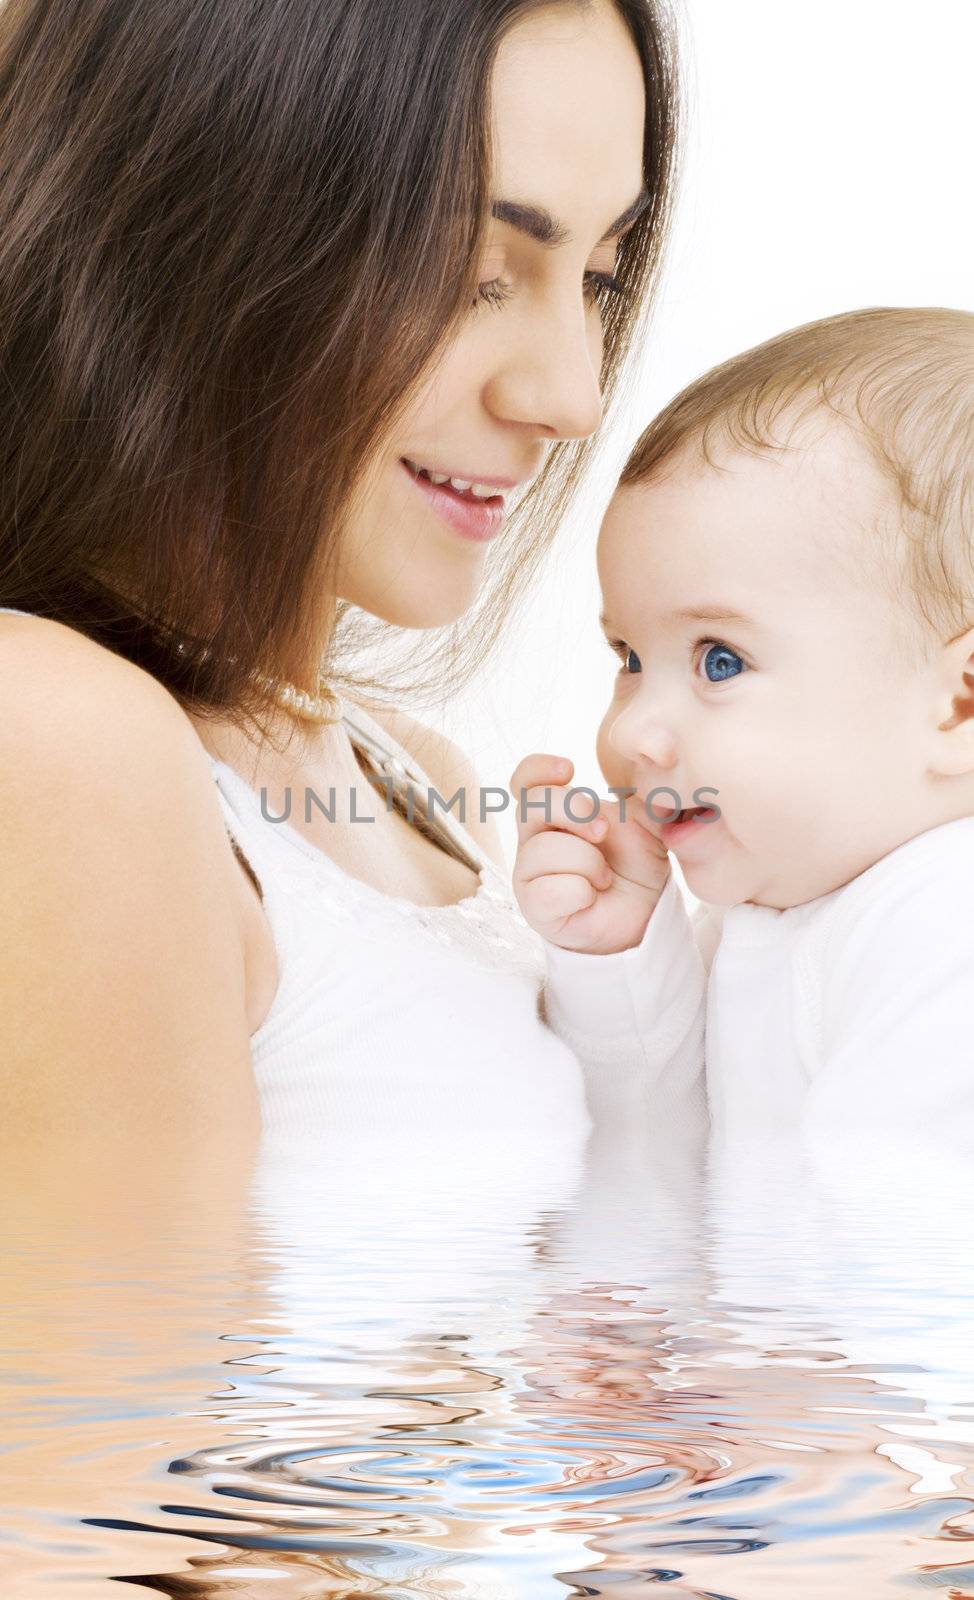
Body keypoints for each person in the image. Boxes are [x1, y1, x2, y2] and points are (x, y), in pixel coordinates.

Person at [0, 0, 680, 1163]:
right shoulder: (59, 737)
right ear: (180, 231)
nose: (572, 396)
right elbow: (112, 1349)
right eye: (471, 271)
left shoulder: (412, 778)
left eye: (600, 279)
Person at [511, 306, 974, 1149]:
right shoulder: (769, 908)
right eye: (630, 656)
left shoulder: (944, 923)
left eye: (718, 660)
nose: (633, 735)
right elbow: (654, 1169)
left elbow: (899, 1250)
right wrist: (620, 965)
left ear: (960, 704)